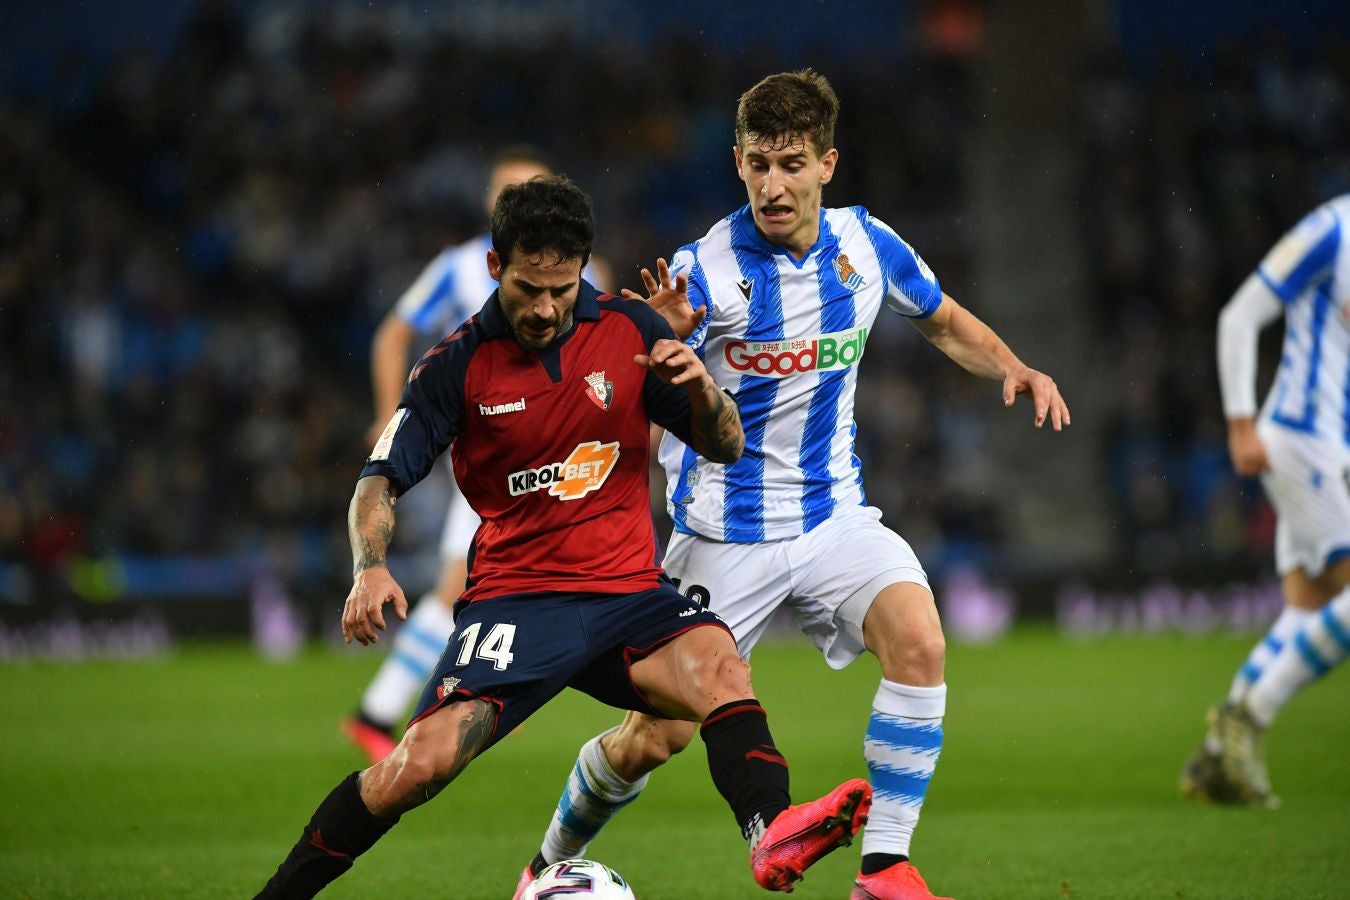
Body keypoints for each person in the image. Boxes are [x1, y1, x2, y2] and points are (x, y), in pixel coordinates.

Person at [513, 70, 1069, 900]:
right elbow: (624, 358)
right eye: (759, 165)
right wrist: (654, 332)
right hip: (721, 536)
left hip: (832, 518)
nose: (775, 184)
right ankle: (542, 867)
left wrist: (1015, 366)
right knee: (650, 740)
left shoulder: (867, 247)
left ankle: (883, 869)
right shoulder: (707, 267)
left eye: (793, 163)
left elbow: (943, 318)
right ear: (737, 164)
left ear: (827, 164)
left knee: (920, 642)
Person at [255, 175, 872, 899]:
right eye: (527, 288)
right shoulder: (453, 367)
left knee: (722, 667)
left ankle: (771, 832)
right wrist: (372, 566)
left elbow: (727, 445)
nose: (546, 307)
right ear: (495, 267)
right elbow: (377, 482)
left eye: (563, 287)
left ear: (585, 267)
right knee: (418, 767)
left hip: (629, 595)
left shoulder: (632, 331)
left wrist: (702, 387)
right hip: (518, 603)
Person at [343, 147, 610, 762]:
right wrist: (390, 414)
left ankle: (441, 700)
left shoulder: (575, 271)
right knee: (469, 579)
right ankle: (404, 709)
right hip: (490, 442)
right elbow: (394, 331)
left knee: (482, 578)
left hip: (560, 446)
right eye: (501, 190)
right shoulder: (462, 266)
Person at [1180, 194, 1350, 809]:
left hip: (1333, 450)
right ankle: (1245, 721)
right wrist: (1240, 421)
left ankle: (1219, 760)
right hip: (1302, 439)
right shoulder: (1333, 229)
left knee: (1311, 607)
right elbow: (1240, 316)